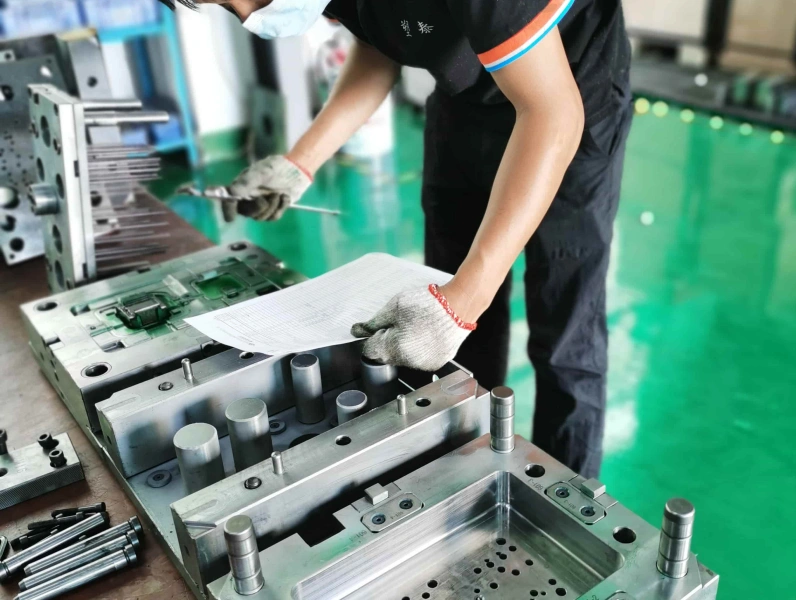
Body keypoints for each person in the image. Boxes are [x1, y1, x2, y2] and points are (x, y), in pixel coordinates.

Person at [159, 0, 632, 479]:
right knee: (447, 323)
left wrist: (464, 302)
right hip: (466, 103)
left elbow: (552, 113)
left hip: (568, 96)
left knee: (564, 329)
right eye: (225, 8)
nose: (248, 17)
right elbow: (379, 43)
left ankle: (571, 498)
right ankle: (469, 472)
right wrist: (300, 163)